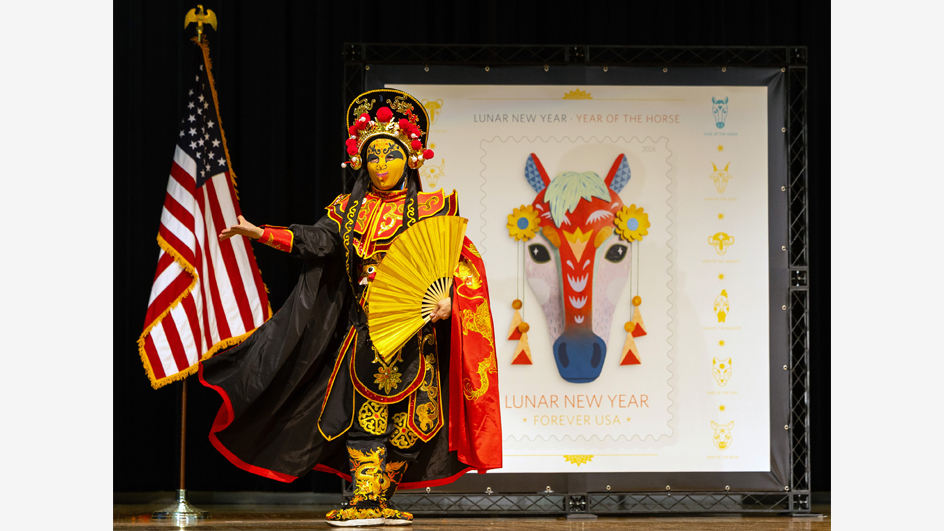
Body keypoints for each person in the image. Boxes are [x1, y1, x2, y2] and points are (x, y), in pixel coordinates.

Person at [199, 89, 502, 527]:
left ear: (411, 159)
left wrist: (452, 301)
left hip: (417, 340)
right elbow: (316, 241)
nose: (381, 164)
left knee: (415, 425)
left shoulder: (435, 210)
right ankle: (363, 500)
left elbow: (466, 268)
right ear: (362, 161)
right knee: (367, 418)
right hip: (367, 335)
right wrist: (259, 232)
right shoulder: (349, 210)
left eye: (390, 155)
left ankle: (382, 499)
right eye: (373, 155)